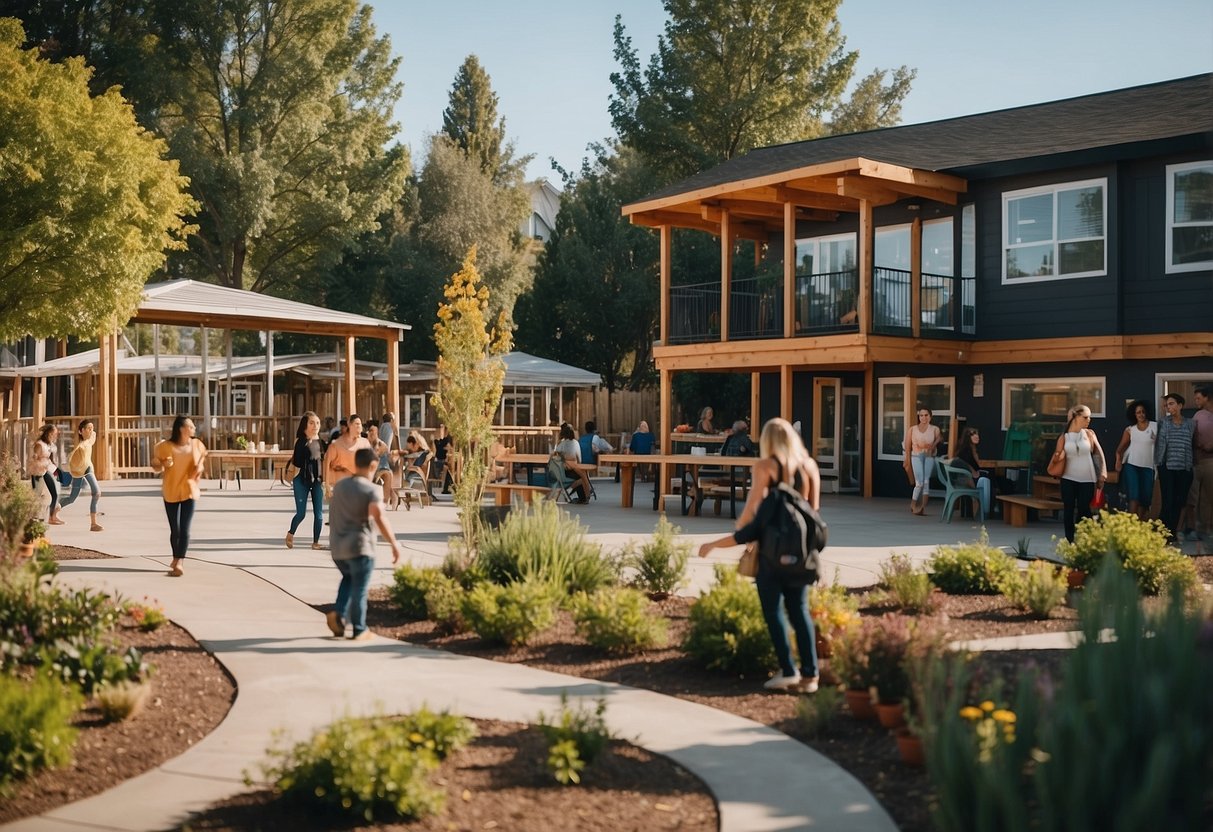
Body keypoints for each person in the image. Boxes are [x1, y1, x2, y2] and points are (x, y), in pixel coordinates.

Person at [697, 418, 822, 693]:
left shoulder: (765, 466)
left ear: (768, 441)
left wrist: (741, 534)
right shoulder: (810, 466)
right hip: (800, 552)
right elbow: (813, 513)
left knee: (773, 610)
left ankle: (788, 670)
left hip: (770, 552)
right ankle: (811, 676)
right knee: (800, 611)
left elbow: (753, 507)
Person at [325, 447, 401, 641]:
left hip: (338, 549)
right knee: (360, 587)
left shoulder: (340, 487)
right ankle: (359, 628)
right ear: (373, 466)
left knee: (349, 579)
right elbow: (379, 515)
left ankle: (339, 615)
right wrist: (393, 542)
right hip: (360, 547)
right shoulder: (371, 489)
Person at [150, 415, 207, 577]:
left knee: (185, 529)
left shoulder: (197, 445)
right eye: (191, 426)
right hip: (171, 491)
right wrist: (162, 464)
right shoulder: (165, 447)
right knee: (175, 529)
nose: (194, 428)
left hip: (189, 490)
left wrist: (199, 469)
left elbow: (201, 462)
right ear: (182, 429)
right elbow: (155, 466)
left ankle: (179, 561)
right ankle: (176, 558)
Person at [1054, 404, 1107, 543]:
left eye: (1089, 417)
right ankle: (1070, 539)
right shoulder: (1064, 437)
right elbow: (1057, 456)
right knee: (1068, 508)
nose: (1088, 419)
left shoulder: (1089, 434)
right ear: (1076, 417)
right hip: (1068, 478)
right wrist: (1057, 457)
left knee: (1084, 508)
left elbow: (1098, 454)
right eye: (1085, 417)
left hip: (1087, 478)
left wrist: (1101, 474)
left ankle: (1083, 536)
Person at [1155, 393, 1194, 542]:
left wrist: (1189, 466)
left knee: (1179, 501)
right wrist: (1160, 464)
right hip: (1167, 467)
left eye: (1171, 404)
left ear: (1180, 405)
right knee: (1168, 501)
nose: (1169, 407)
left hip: (1184, 468)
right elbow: (1160, 444)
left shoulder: (1190, 423)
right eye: (1167, 405)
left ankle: (1171, 533)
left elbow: (1190, 443)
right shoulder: (1163, 422)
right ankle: (1162, 532)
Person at [286, 411, 325, 550]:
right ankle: (291, 533)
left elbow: (325, 462)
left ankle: (315, 542)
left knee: (319, 515)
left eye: (318, 423)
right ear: (305, 426)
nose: (316, 426)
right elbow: (297, 462)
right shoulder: (300, 442)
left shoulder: (321, 442)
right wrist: (307, 444)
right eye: (312, 423)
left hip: (318, 482)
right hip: (301, 481)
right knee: (301, 513)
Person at [1113, 400, 1158, 521]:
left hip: (1149, 466)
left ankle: (1140, 523)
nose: (1141, 414)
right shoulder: (1130, 430)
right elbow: (1120, 449)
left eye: (1143, 412)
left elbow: (1162, 444)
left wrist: (1157, 439)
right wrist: (1118, 460)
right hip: (1132, 465)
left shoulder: (1155, 426)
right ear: (1134, 414)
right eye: (1138, 412)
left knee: (1145, 497)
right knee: (1134, 494)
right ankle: (1131, 524)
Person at [59, 419, 103, 531]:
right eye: (88, 429)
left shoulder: (89, 441)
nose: (91, 431)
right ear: (81, 431)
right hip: (80, 471)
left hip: (88, 469)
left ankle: (93, 524)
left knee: (96, 492)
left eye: (92, 428)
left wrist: (89, 429)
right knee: (72, 498)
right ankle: (53, 508)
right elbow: (71, 462)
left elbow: (93, 434)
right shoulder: (81, 447)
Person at [903, 408, 941, 515]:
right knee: (919, 482)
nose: (923, 418)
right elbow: (907, 445)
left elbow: (939, 438)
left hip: (929, 457)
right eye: (921, 415)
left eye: (926, 415)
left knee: (926, 481)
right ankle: (913, 504)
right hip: (916, 456)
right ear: (918, 417)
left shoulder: (934, 429)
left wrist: (933, 446)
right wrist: (907, 459)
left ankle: (923, 507)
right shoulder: (912, 429)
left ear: (930, 416)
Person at [952, 426, 992, 519]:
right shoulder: (967, 451)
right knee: (989, 480)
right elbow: (974, 468)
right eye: (973, 434)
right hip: (967, 480)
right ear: (967, 437)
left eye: (977, 433)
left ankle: (982, 510)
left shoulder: (968, 449)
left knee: (990, 479)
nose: (976, 436)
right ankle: (985, 511)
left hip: (964, 479)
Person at [29, 423, 65, 525]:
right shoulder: (39, 444)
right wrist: (39, 466)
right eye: (54, 433)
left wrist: (56, 471)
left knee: (54, 493)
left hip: (46, 471)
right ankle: (32, 518)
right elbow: (33, 459)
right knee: (36, 496)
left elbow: (49, 459)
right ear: (49, 433)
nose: (56, 435)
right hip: (37, 473)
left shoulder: (48, 445)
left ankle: (51, 517)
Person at [325, 413, 371, 488]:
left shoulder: (365, 442)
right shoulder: (336, 442)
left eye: (359, 424)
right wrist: (327, 484)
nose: (359, 427)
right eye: (356, 424)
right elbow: (327, 462)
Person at [1193, 385, 1213, 552]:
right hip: (1195, 462)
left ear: (1207, 398)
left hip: (1210, 462)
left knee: (1208, 497)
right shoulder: (1198, 415)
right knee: (1194, 497)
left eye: (1198, 398)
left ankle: (1207, 530)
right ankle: (1195, 529)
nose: (1196, 401)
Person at [554, 422, 590, 502]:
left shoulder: (561, 445)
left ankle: (575, 493)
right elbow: (579, 460)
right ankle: (582, 496)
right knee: (583, 476)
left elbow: (555, 455)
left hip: (562, 471)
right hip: (573, 470)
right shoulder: (576, 443)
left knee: (580, 475)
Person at [366, 422, 396, 509]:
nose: (372, 433)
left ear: (377, 433)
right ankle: (393, 496)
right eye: (370, 431)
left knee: (387, 474)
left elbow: (375, 455)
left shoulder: (381, 444)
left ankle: (386, 501)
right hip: (371, 469)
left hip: (382, 467)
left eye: (374, 431)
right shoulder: (365, 442)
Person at [433, 423, 454, 493]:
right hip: (440, 461)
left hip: (443, 461)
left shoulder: (446, 440)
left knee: (449, 469)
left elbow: (450, 449)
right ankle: (448, 487)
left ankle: (448, 487)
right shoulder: (439, 440)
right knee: (449, 469)